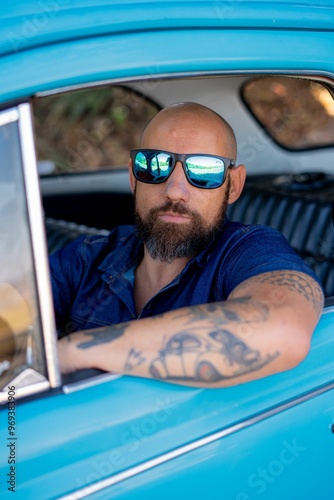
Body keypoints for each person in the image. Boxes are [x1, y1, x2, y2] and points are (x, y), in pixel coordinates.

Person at [54, 102, 323, 387]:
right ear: (134, 178)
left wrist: (72, 351)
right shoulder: (87, 257)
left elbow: (284, 329)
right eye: (154, 164)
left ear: (233, 186)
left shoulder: (248, 250)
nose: (175, 191)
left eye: (203, 170)